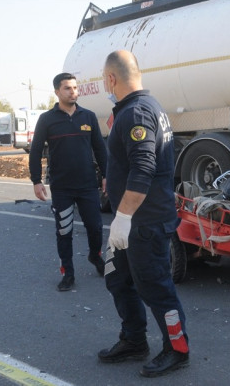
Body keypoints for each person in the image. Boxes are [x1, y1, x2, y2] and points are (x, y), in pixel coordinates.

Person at [97, 50, 189, 378]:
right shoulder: (140, 107)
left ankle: (177, 349)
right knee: (118, 278)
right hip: (135, 219)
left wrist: (121, 219)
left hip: (143, 221)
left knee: (154, 286)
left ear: (111, 79)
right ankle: (134, 339)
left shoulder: (136, 112)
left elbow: (143, 168)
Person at [29, 73, 107, 292]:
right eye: (67, 88)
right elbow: (35, 151)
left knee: (96, 227)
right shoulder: (47, 119)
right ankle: (68, 273)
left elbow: (100, 148)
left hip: (87, 186)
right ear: (57, 91)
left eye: (75, 88)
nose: (73, 92)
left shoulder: (88, 117)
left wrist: (106, 175)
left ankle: (95, 255)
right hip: (62, 187)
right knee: (64, 231)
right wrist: (36, 180)